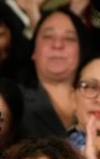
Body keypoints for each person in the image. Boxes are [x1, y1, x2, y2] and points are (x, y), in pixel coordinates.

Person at [18, 8, 87, 139]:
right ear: (34, 50)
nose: (57, 45)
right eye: (48, 36)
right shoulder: (14, 102)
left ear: (82, 50)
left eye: (69, 38)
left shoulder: (99, 100)